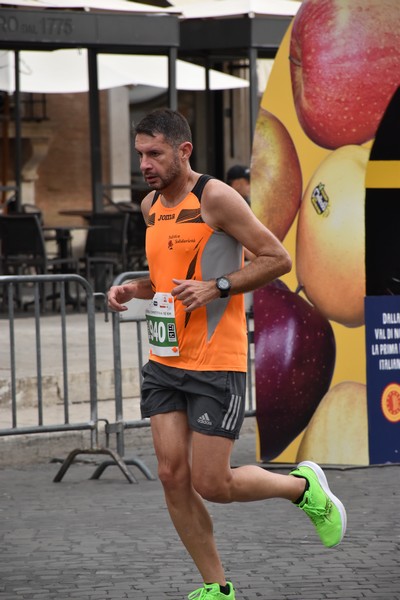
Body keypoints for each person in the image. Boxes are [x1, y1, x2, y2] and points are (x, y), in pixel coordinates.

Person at [108, 109, 347, 600]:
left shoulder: (215, 197)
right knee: (173, 475)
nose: (145, 165)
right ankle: (217, 587)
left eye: (154, 153)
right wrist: (134, 288)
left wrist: (217, 287)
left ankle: (303, 488)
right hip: (165, 358)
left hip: (216, 360)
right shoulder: (150, 205)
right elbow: (168, 277)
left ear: (183, 150)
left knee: (213, 482)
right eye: (140, 155)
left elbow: (276, 258)